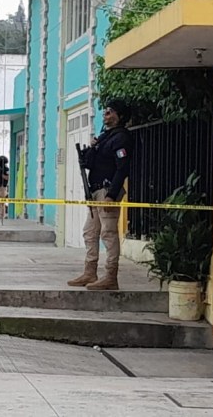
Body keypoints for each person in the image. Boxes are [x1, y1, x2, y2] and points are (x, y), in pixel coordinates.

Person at [69, 101, 132, 291]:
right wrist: (91, 149)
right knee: (90, 232)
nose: (105, 113)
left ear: (119, 116)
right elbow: (90, 163)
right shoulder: (104, 137)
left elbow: (122, 168)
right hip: (95, 190)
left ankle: (111, 276)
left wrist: (111, 195)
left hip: (107, 191)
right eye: (105, 111)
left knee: (109, 233)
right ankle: (90, 272)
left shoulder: (121, 138)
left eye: (110, 111)